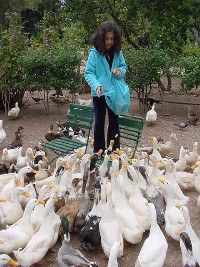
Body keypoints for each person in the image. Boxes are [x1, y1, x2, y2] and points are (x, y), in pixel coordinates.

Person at [84, 20, 128, 153]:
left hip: (113, 93)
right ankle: (99, 150)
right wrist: (96, 85)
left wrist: (119, 72)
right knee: (99, 123)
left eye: (112, 39)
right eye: (106, 39)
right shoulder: (94, 53)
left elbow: (123, 67)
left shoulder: (117, 53)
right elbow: (89, 73)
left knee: (114, 123)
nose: (109, 42)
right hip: (99, 94)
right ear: (100, 38)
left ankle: (114, 151)